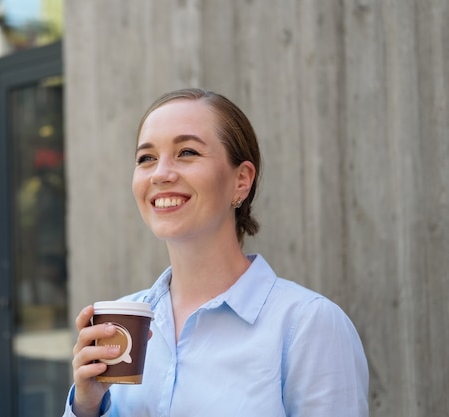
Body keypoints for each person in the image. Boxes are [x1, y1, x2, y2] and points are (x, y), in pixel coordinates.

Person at [63, 88, 369, 416]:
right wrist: (87, 405)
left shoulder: (308, 326)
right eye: (146, 158)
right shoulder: (123, 322)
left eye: (187, 152)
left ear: (241, 180)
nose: (161, 174)